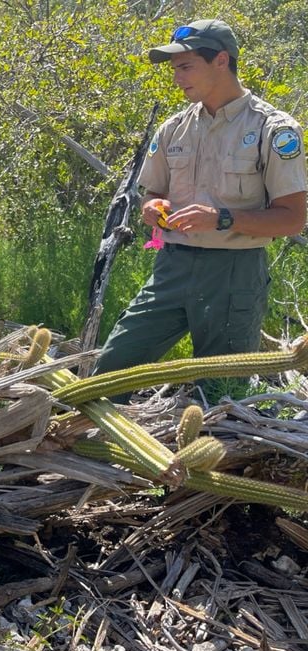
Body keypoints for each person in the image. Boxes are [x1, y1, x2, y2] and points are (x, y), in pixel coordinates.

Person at [93, 19, 307, 401]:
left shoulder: (273, 129)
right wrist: (152, 207)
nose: (176, 77)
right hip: (171, 269)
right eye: (175, 68)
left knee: (224, 398)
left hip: (233, 275)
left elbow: (293, 218)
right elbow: (152, 193)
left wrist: (222, 218)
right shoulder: (174, 128)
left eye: (185, 66)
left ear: (221, 60)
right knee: (108, 377)